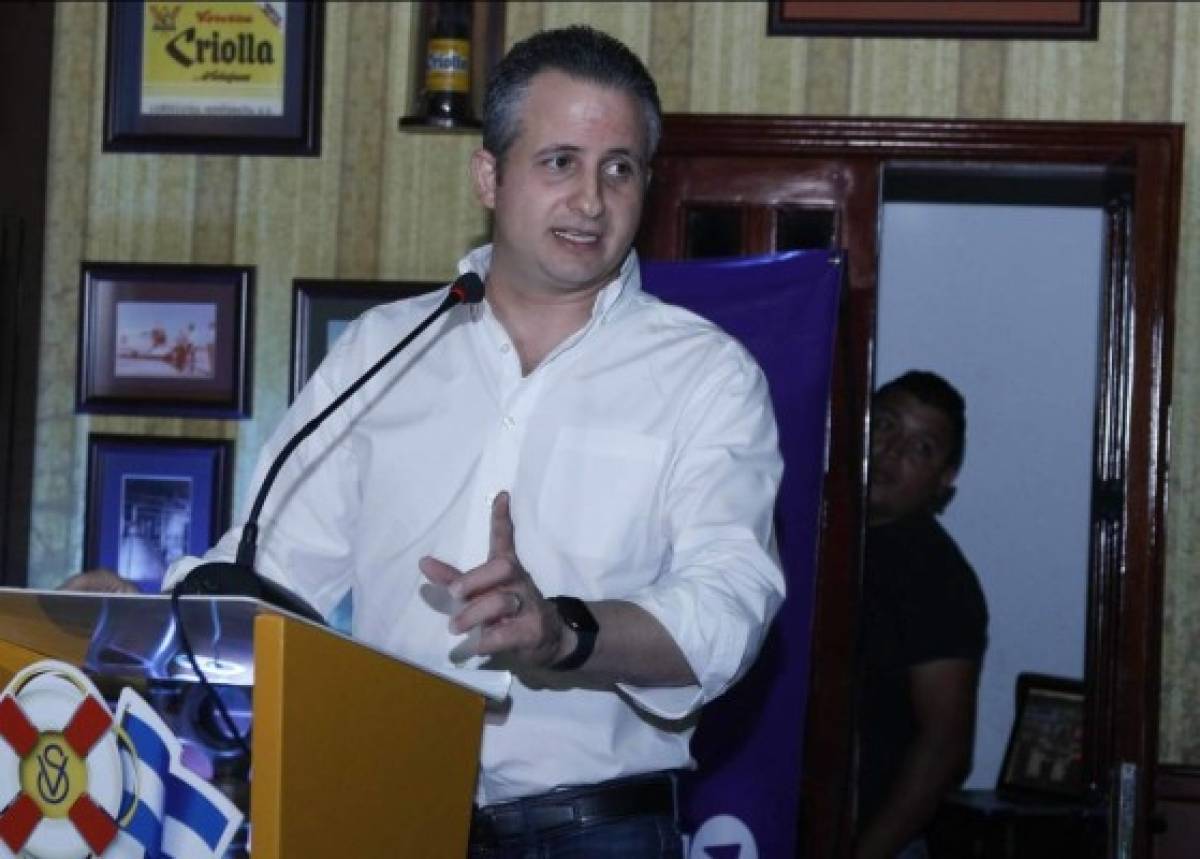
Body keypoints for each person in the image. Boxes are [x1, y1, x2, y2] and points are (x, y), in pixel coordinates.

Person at [67, 26, 784, 858]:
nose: (591, 200)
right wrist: (133, 620)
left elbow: (729, 607)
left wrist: (563, 633)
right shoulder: (384, 348)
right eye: (560, 162)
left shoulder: (706, 375)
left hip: (595, 829)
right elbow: (268, 573)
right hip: (379, 810)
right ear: (489, 175)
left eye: (619, 168)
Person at [854, 371, 988, 859]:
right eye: (885, 425)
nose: (891, 452)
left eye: (921, 448)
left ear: (943, 480)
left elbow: (944, 745)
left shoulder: (938, 579)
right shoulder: (803, 530)